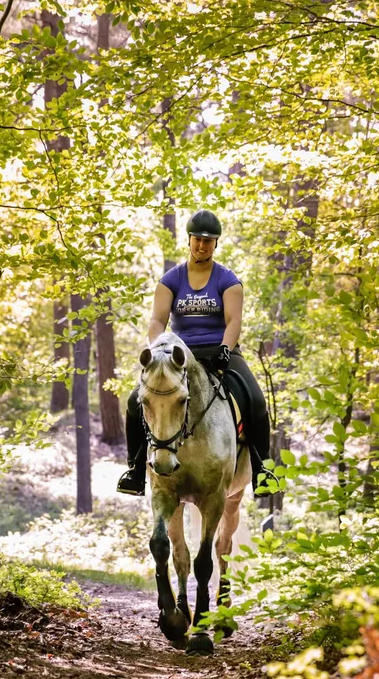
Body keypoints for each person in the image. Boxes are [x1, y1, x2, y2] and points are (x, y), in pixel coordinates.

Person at [117, 209, 276, 497]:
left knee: (255, 399)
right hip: (178, 355)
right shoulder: (171, 279)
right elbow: (156, 321)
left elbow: (234, 322)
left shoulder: (228, 280)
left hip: (220, 352)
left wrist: (225, 351)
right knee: (133, 402)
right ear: (189, 240)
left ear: (216, 244)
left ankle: (262, 470)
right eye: (198, 239)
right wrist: (159, 349)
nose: (202, 245)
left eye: (209, 240)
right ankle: (135, 469)